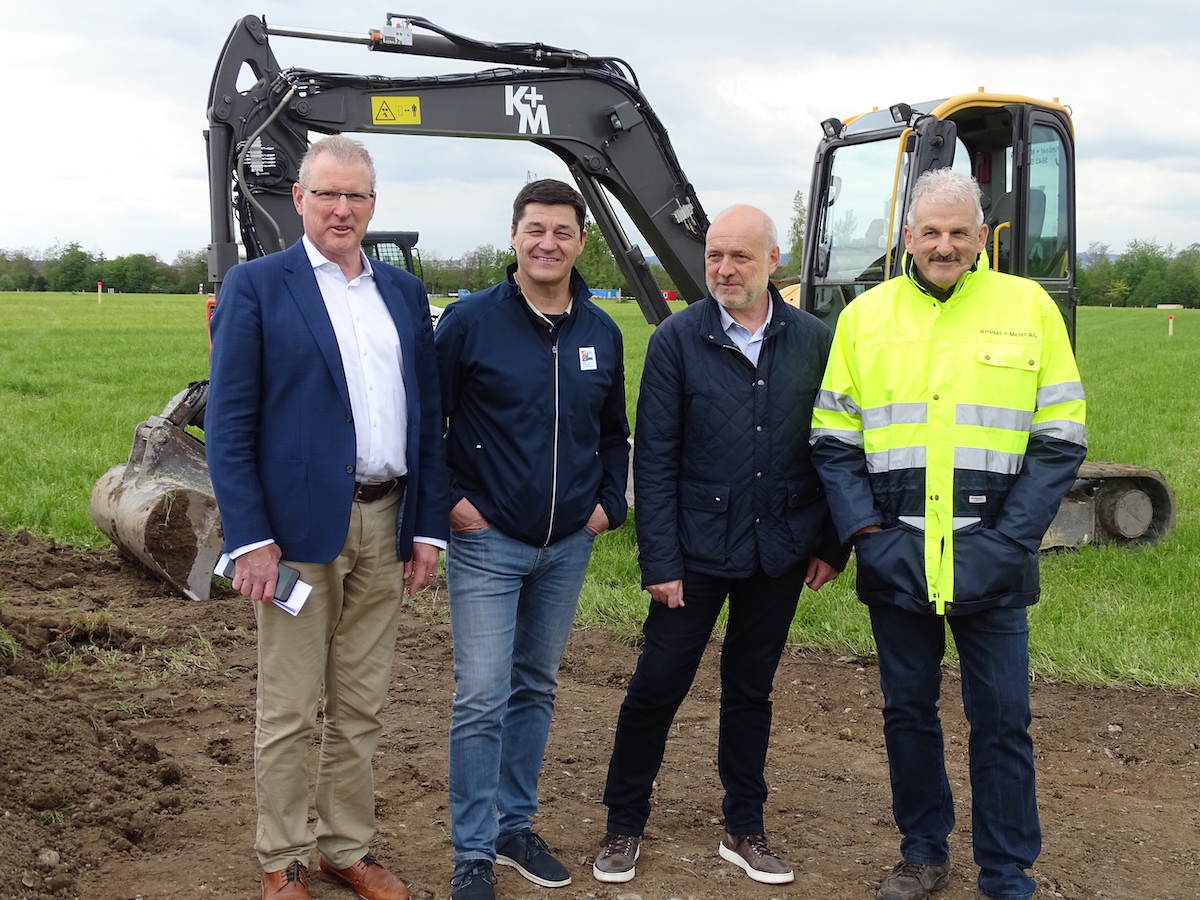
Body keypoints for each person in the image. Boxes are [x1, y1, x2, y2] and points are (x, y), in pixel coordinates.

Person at [809, 168, 1087, 900]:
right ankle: (923, 853)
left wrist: (1011, 542)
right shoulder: (865, 318)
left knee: (1002, 721)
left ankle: (1006, 871)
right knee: (908, 713)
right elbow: (833, 440)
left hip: (993, 561)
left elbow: (1061, 438)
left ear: (980, 239)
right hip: (896, 555)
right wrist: (867, 534)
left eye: (959, 232)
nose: (944, 244)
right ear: (907, 237)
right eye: (930, 232)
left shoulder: (1028, 309)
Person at [206, 134, 450, 900]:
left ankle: (348, 847)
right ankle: (282, 858)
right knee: (289, 706)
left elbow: (427, 416)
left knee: (362, 704)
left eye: (358, 196)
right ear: (299, 199)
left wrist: (426, 527)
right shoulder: (259, 286)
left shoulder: (404, 295)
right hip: (296, 536)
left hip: (387, 522)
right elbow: (231, 422)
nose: (343, 209)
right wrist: (250, 538)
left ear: (374, 206)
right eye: (329, 194)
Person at [592, 205, 848, 886]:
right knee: (656, 686)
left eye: (740, 257)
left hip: (781, 551)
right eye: (715, 257)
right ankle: (623, 823)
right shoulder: (678, 340)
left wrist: (829, 541)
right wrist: (661, 562)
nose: (725, 270)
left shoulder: (815, 340)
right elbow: (655, 459)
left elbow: (833, 446)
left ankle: (745, 826)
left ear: (773, 259)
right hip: (695, 554)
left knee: (750, 690)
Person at [434, 178, 630, 900]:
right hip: (488, 542)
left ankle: (515, 825)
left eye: (563, 232)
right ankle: (474, 852)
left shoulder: (600, 333)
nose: (549, 243)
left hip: (568, 545)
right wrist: (454, 505)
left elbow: (616, 435)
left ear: (582, 242)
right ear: (513, 236)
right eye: (535, 229)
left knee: (536, 687)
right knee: (482, 694)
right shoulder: (469, 322)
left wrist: (609, 506)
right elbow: (431, 423)